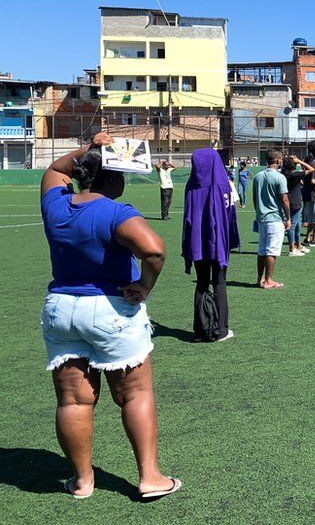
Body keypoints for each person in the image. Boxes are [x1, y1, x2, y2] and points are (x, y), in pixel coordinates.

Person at [40, 133, 181, 499]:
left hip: (61, 308)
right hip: (110, 309)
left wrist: (91, 147)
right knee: (135, 394)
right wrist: (144, 286)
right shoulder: (118, 212)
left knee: (72, 401)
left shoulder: (56, 205)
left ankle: (83, 481)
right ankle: (150, 477)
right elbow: (153, 250)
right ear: (113, 178)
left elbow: (57, 168)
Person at [182, 148, 240, 342]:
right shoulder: (223, 184)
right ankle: (221, 329)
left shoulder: (191, 186)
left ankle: (200, 329)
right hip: (217, 241)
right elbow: (229, 215)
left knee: (201, 283)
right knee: (219, 282)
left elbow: (188, 218)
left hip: (197, 242)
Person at [253, 151, 289, 289]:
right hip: (275, 218)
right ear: (278, 160)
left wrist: (259, 213)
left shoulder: (258, 176)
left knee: (262, 250)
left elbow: (255, 198)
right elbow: (284, 199)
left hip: (261, 218)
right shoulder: (279, 177)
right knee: (272, 250)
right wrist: (288, 218)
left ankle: (259, 278)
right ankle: (268, 280)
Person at [282, 156, 312, 257]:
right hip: (294, 202)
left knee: (298, 225)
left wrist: (291, 161)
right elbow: (311, 169)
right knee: (292, 226)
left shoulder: (283, 174)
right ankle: (292, 249)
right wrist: (299, 161)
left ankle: (298, 245)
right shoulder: (294, 175)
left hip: (291, 201)